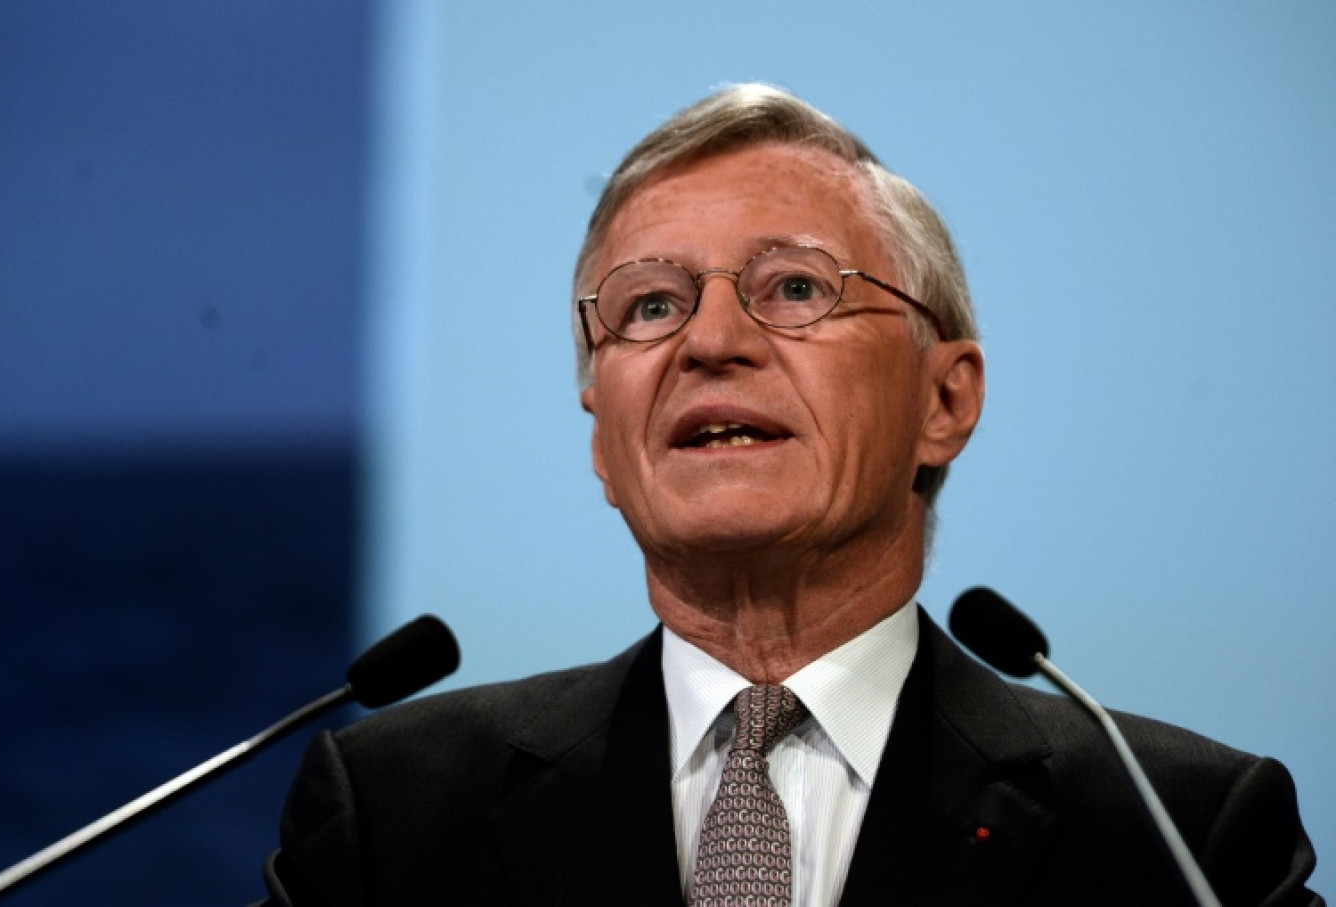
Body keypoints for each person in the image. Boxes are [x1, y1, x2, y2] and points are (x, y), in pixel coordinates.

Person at [261, 84, 1322, 906]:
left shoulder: (1178, 833)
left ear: (944, 399)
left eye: (797, 289)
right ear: (602, 436)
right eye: (649, 306)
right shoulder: (392, 817)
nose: (711, 343)